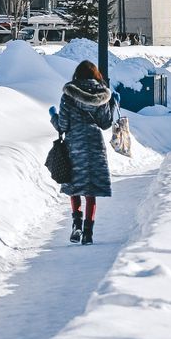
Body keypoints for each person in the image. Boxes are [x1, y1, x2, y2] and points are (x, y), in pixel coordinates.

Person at [49, 60, 119, 245]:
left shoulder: (68, 95)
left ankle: (76, 224)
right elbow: (105, 124)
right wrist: (112, 105)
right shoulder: (102, 95)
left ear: (77, 75)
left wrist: (53, 116)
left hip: (74, 144)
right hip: (95, 145)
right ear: (96, 75)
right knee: (91, 189)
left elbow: (62, 125)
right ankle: (88, 233)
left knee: (75, 186)